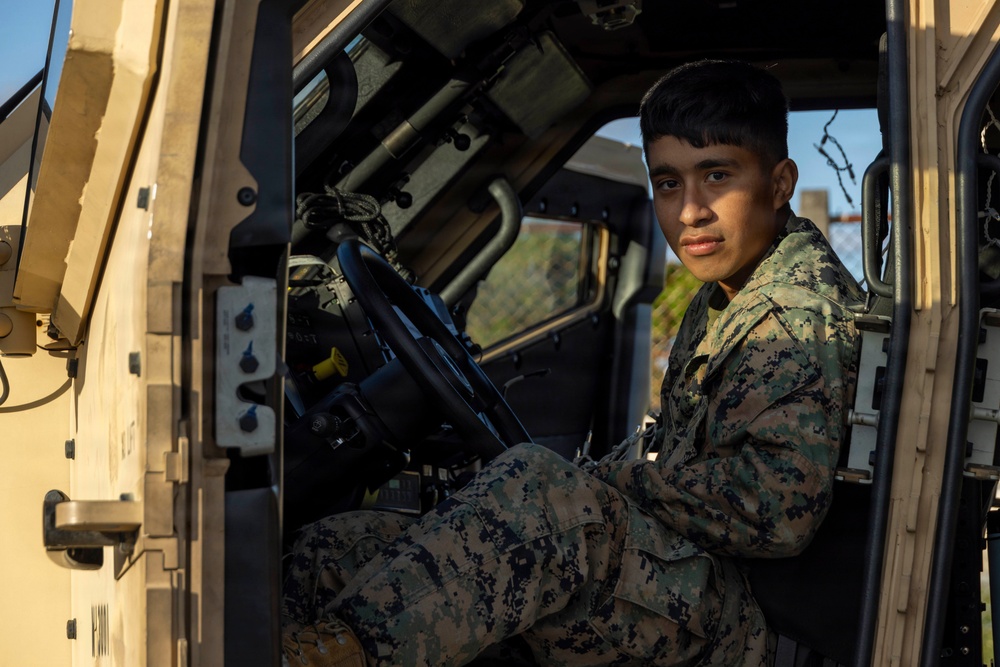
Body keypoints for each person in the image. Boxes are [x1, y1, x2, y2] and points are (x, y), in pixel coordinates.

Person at [280, 59, 863, 667]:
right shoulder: (728, 292)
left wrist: (601, 485)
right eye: (668, 183)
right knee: (335, 550)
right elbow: (675, 450)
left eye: (716, 175)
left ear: (779, 182)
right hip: (696, 581)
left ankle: (334, 657)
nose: (690, 211)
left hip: (756, 625)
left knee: (540, 495)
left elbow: (775, 513)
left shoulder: (795, 314)